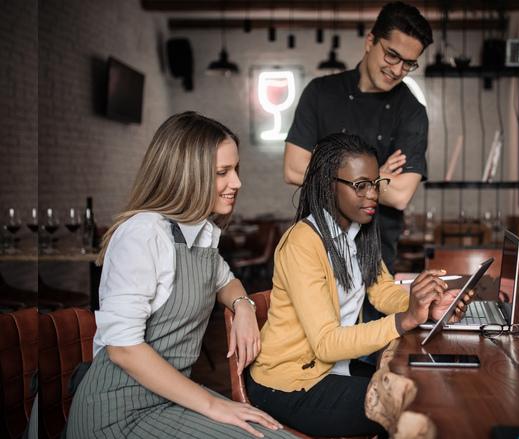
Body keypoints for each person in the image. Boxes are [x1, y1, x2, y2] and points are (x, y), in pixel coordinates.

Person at [66, 112, 293, 439]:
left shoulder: (200, 233)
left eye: (236, 170)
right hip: (117, 413)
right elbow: (122, 349)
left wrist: (244, 306)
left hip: (170, 398)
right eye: (222, 172)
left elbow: (226, 281)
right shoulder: (143, 234)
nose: (237, 183)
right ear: (187, 174)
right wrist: (215, 406)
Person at [248, 133, 470, 437]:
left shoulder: (357, 232)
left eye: (376, 184)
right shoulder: (303, 242)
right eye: (360, 185)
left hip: (334, 369)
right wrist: (405, 320)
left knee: (423, 384)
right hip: (289, 385)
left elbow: (382, 292)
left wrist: (425, 304)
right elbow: (326, 343)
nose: (373, 195)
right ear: (328, 184)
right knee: (414, 406)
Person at [283, 1, 433, 327]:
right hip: (314, 250)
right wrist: (378, 176)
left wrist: (328, 170)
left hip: (375, 258)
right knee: (313, 351)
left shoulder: (411, 112)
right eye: (391, 55)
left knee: (372, 359)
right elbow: (293, 168)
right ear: (370, 41)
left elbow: (401, 194)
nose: (397, 69)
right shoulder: (320, 93)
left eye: (409, 64)